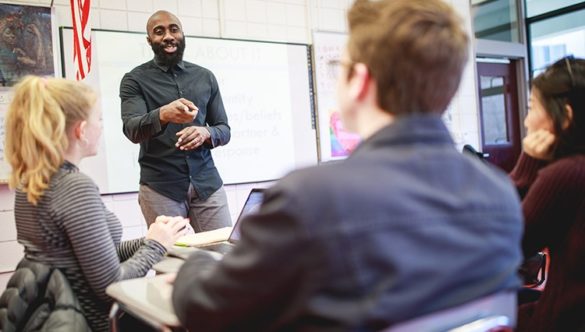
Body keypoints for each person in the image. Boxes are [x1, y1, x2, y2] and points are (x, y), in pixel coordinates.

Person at [170, 0, 523, 330]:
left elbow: (207, 310)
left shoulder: (311, 199)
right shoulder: (500, 194)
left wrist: (194, 266)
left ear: (360, 81)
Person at [3, 76, 188, 332]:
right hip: (98, 322)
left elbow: (90, 256)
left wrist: (154, 240)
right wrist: (156, 246)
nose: (101, 127)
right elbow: (109, 285)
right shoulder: (74, 187)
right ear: (80, 130)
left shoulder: (30, 182)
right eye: (98, 119)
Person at [120, 10, 232, 232]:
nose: (168, 36)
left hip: (207, 184)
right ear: (149, 40)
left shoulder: (205, 76)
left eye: (174, 29)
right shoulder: (134, 80)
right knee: (172, 261)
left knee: (224, 256)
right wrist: (163, 114)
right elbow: (132, 129)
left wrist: (206, 133)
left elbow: (224, 129)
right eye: (159, 31)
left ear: (182, 34)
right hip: (161, 189)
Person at [510, 57, 585, 332]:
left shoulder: (568, 174)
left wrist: (526, 167)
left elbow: (505, 245)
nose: (526, 120)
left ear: (565, 116)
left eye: (531, 108)